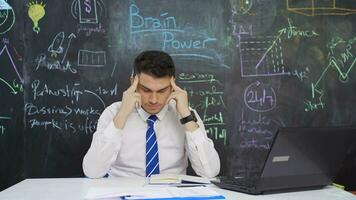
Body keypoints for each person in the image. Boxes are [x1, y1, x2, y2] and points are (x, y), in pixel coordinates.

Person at [83, 50, 220, 178]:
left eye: (161, 91)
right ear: (133, 83)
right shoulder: (113, 112)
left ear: (173, 85)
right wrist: (123, 114)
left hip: (171, 194)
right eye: (146, 90)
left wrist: (186, 117)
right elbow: (93, 172)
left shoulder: (186, 114)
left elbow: (209, 172)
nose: (154, 100)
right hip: (123, 192)